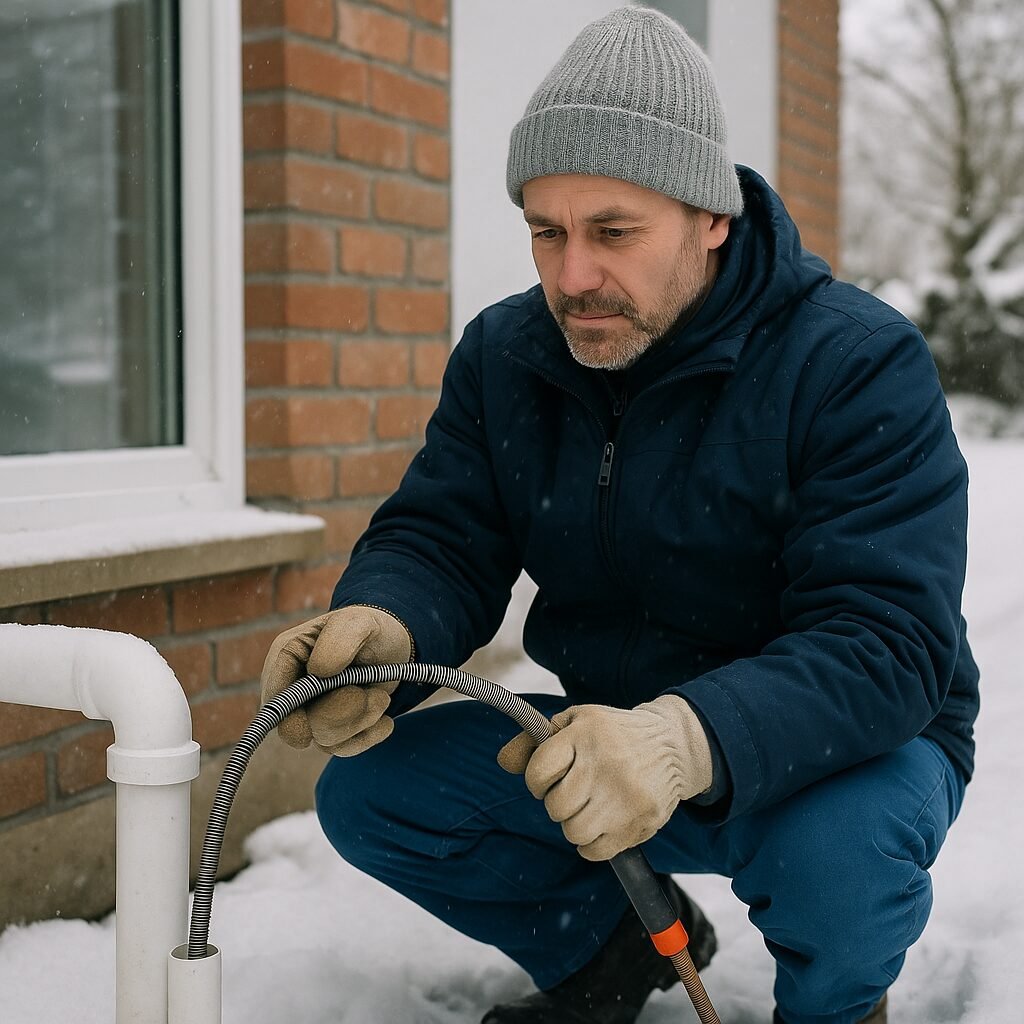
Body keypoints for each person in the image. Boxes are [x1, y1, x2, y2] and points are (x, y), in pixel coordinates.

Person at [260, 8, 979, 1023]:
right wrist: (387, 622)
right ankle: (610, 953)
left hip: (841, 747)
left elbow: (888, 642)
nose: (571, 276)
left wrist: (686, 739)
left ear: (711, 216)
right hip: (604, 745)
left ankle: (836, 1006)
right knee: (375, 794)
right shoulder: (508, 356)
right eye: (545, 232)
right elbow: (444, 535)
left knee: (838, 858)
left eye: (612, 232)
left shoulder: (854, 365)